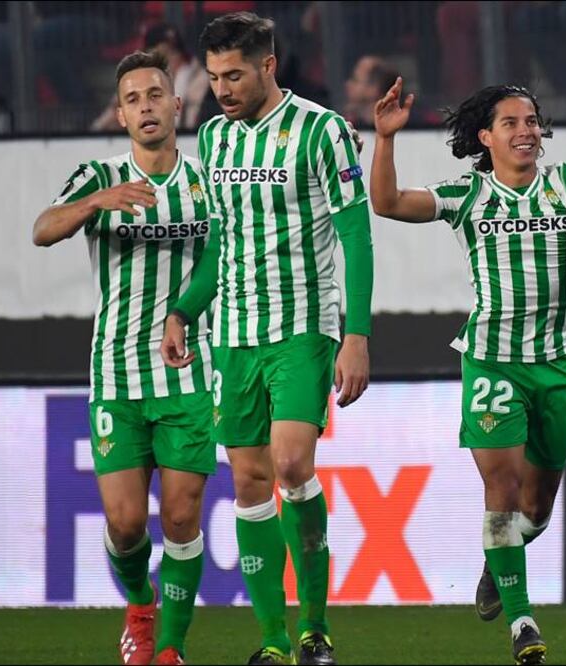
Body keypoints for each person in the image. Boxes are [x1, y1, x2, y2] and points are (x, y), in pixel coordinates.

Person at [370, 77, 566, 665]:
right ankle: (522, 623)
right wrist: (385, 140)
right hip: (492, 360)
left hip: (556, 364)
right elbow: (387, 204)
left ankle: (498, 562)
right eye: (511, 122)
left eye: (532, 121)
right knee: (502, 488)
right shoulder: (468, 195)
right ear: (485, 137)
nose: (525, 131)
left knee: (535, 509)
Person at [159, 11, 373, 666]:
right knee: (250, 483)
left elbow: (356, 236)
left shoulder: (322, 131)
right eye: (214, 76)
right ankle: (275, 640)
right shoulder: (215, 138)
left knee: (291, 464)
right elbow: (219, 242)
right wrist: (183, 309)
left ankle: (315, 629)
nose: (221, 89)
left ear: (268, 66)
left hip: (302, 328)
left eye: (234, 75)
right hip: (233, 336)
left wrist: (357, 335)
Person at [32, 49, 216, 666]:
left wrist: (184, 314)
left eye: (155, 95)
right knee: (127, 522)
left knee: (183, 517)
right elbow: (42, 229)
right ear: (120, 115)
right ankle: (140, 605)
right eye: (133, 99)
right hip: (116, 375)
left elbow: (223, 259)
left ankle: (170, 647)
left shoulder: (207, 183)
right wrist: (96, 203)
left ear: (177, 104)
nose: (146, 106)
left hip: (188, 373)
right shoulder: (98, 175)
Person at [92, 23, 210, 132]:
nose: (171, 56)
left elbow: (194, 117)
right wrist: (95, 131)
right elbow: (114, 111)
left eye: (173, 51)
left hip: (186, 138)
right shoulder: (141, 75)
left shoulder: (199, 76)